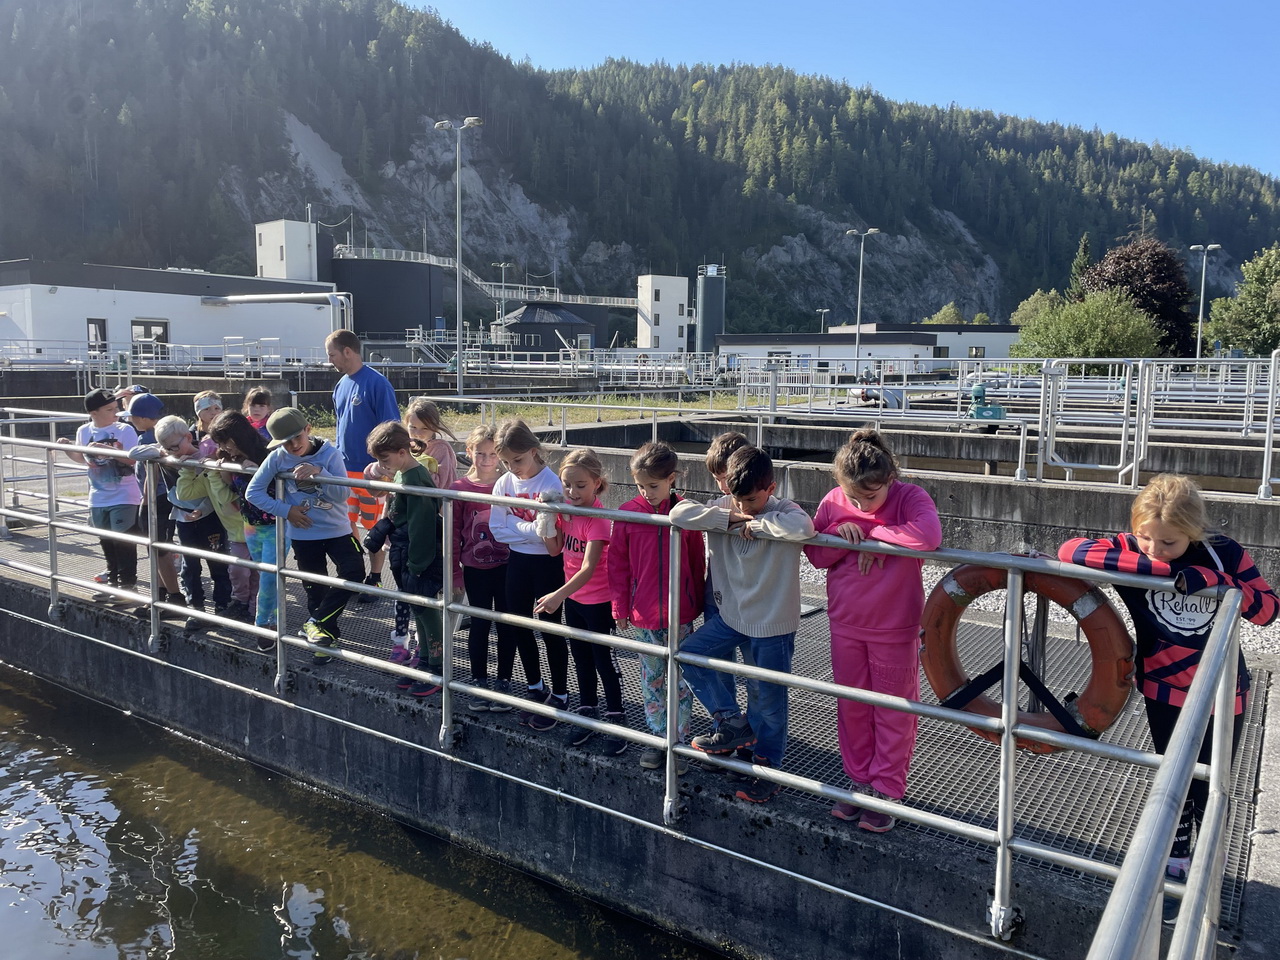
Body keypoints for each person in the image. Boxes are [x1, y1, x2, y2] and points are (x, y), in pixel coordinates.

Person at [1058, 474, 1277, 915]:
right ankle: (1176, 861)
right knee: (1171, 778)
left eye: (1170, 544)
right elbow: (1071, 551)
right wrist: (1170, 571)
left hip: (1221, 689)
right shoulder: (1134, 547)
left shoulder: (1226, 553)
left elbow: (1269, 610)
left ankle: (1207, 866)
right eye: (1146, 539)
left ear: (1194, 533)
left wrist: (1216, 580)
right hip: (1162, 687)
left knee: (1211, 783)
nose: (1154, 549)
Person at [803, 429, 942, 833]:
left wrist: (869, 533)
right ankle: (859, 782)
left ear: (890, 479)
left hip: (895, 626)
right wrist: (840, 537)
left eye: (872, 498)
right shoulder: (833, 501)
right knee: (852, 707)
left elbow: (928, 536)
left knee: (894, 712)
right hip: (845, 622)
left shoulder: (910, 497)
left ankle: (887, 791)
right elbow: (815, 553)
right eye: (854, 499)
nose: (862, 505)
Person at [669, 446, 814, 803]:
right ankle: (733, 722)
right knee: (688, 655)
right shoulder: (725, 509)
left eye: (751, 499)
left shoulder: (784, 511)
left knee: (769, 699)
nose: (743, 506)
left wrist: (755, 523)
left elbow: (804, 527)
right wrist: (730, 520)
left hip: (773, 623)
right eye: (737, 499)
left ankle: (767, 769)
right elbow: (678, 512)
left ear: (771, 488)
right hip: (733, 617)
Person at [610, 441, 706, 772]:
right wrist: (620, 605)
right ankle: (657, 738)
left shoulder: (685, 514)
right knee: (652, 680)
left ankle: (677, 743)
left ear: (672, 479)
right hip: (645, 614)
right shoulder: (627, 513)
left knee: (680, 681)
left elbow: (696, 563)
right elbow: (618, 563)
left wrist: (698, 603)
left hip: (680, 612)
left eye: (654, 485)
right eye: (641, 485)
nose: (648, 492)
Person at [246, 406, 363, 661]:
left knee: (354, 572)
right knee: (315, 589)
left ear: (308, 430)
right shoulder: (278, 457)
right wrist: (286, 510)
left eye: (296, 438)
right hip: (304, 534)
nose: (293, 446)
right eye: (286, 442)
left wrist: (320, 474)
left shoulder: (329, 454)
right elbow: (252, 492)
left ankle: (315, 622)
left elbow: (343, 495)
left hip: (337, 529)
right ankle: (322, 644)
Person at [534, 449, 625, 749]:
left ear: (597, 483)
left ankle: (617, 720)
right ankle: (588, 713)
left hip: (597, 602)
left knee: (603, 662)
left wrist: (557, 595)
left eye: (580, 485)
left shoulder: (597, 520)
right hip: (575, 601)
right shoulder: (566, 512)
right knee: (581, 660)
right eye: (567, 484)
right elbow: (554, 549)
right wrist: (547, 522)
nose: (572, 492)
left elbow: (589, 567)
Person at [489, 419, 568, 726]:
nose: (512, 468)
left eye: (517, 460)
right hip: (518, 563)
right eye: (506, 462)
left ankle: (561, 693)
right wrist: (530, 529)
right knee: (519, 625)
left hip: (547, 566)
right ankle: (535, 685)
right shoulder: (504, 483)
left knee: (551, 631)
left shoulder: (551, 484)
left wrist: (518, 527)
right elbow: (497, 529)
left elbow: (550, 537)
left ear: (534, 452)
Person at [130, 417, 233, 632]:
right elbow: (134, 454)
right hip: (183, 518)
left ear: (188, 437)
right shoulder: (168, 455)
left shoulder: (203, 457)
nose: (173, 451)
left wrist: (203, 508)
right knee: (190, 565)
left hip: (209, 517)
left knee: (217, 563)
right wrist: (161, 451)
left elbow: (212, 490)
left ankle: (223, 605)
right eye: (168, 447)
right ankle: (196, 608)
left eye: (175, 446)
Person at [364, 421, 444, 697]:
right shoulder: (402, 474)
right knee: (417, 609)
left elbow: (423, 525)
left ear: (402, 452)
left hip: (418, 556)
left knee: (428, 610)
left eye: (385, 458)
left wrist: (418, 564)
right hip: (404, 552)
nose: (382, 464)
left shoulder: (414, 478)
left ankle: (437, 667)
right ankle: (424, 659)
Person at [326, 329, 401, 599]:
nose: (330, 361)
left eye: (332, 354)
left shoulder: (377, 383)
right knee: (346, 526)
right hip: (344, 470)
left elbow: (391, 429)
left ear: (348, 351)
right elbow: (339, 428)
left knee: (374, 528)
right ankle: (355, 572)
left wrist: (386, 468)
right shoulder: (340, 385)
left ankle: (376, 578)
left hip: (372, 473)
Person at [208, 410, 285, 647]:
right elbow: (233, 489)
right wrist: (225, 469)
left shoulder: (267, 453)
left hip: (275, 525)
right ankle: (269, 622)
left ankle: (264, 627)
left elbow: (280, 487)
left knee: (270, 578)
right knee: (262, 575)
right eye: (220, 443)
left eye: (226, 441)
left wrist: (257, 470)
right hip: (250, 524)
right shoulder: (231, 456)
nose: (224, 447)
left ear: (239, 435)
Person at [450, 424, 514, 711]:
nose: (486, 460)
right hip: (474, 567)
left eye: (492, 454)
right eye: (480, 453)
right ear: (469, 452)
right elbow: (451, 533)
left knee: (507, 623)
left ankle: (504, 680)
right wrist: (453, 571)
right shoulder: (459, 489)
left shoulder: (509, 485)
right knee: (479, 623)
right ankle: (479, 680)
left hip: (507, 566)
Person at [57, 388, 141, 604]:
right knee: (105, 539)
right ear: (93, 412)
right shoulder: (84, 430)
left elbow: (133, 460)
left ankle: (127, 586)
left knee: (123, 539)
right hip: (98, 493)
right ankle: (112, 581)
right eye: (110, 409)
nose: (116, 413)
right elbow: (81, 458)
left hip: (124, 493)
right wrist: (67, 448)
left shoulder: (125, 430)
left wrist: (107, 449)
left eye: (116, 408)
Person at [121, 393, 184, 616]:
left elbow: (150, 470)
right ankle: (159, 596)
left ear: (149, 418)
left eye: (136, 416)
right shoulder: (149, 435)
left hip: (157, 500)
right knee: (154, 548)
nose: (131, 420)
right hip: (154, 499)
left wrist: (146, 503)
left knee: (159, 549)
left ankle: (174, 597)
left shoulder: (152, 437)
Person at [192, 391, 224, 457]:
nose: (213, 412)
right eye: (207, 409)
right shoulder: (192, 433)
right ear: (198, 413)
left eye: (217, 408)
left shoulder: (225, 430)